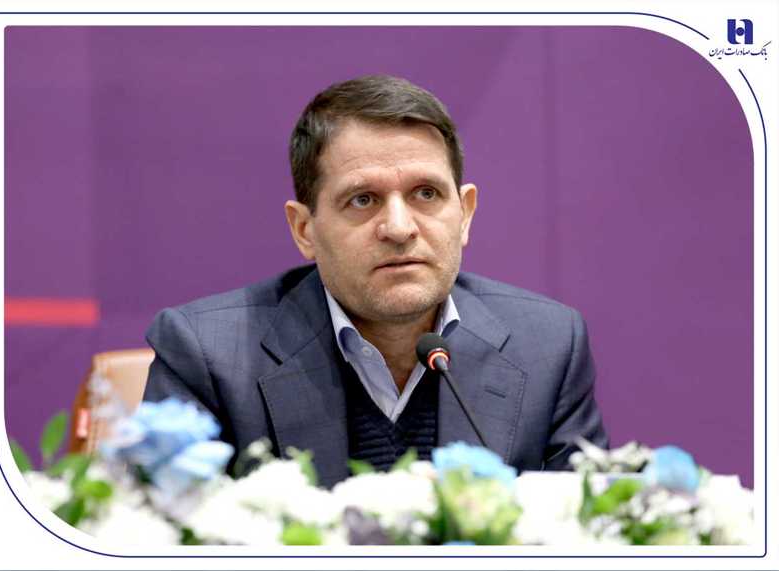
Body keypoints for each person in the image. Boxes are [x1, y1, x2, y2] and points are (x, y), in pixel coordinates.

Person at [143, 75, 607, 487]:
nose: (400, 228)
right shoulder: (209, 355)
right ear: (304, 229)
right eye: (363, 199)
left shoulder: (547, 345)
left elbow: (588, 534)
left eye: (426, 193)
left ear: (464, 214)